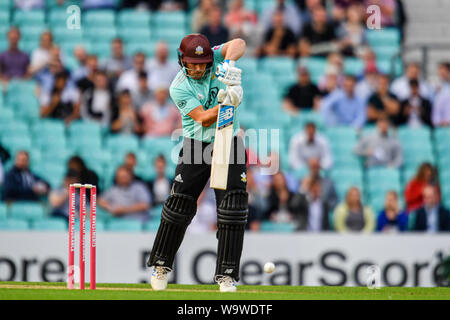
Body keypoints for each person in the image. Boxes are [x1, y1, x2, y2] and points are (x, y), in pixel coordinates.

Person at [147, 34, 247, 292]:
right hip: (197, 145)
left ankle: (226, 275)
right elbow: (203, 117)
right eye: (193, 64)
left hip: (229, 140)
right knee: (179, 205)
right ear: (183, 61)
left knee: (232, 208)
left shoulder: (214, 57)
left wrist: (230, 65)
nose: (200, 68)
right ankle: (161, 265)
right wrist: (229, 100)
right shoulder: (178, 86)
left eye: (203, 63)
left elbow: (238, 43)